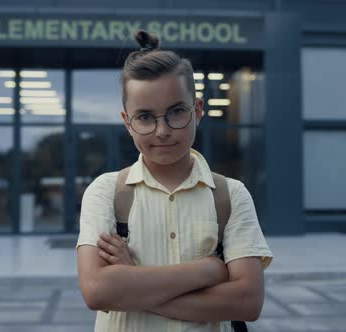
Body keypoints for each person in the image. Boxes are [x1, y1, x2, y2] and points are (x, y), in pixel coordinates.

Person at [76, 30, 273, 332]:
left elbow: (247, 302)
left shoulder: (230, 195)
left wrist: (131, 278)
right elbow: (97, 291)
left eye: (176, 112)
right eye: (144, 117)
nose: (162, 131)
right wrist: (208, 270)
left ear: (197, 110)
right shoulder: (106, 192)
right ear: (127, 122)